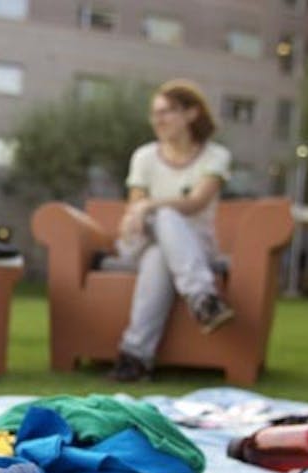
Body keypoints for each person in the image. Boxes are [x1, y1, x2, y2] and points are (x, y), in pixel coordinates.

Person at [108, 79, 235, 382]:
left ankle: (135, 357)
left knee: (159, 254)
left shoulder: (215, 156)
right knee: (160, 224)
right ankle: (203, 298)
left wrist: (149, 206)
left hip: (194, 245)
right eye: (155, 113)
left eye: (167, 112)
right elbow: (136, 207)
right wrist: (145, 208)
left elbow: (197, 202)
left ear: (191, 113)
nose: (158, 120)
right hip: (141, 238)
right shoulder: (144, 156)